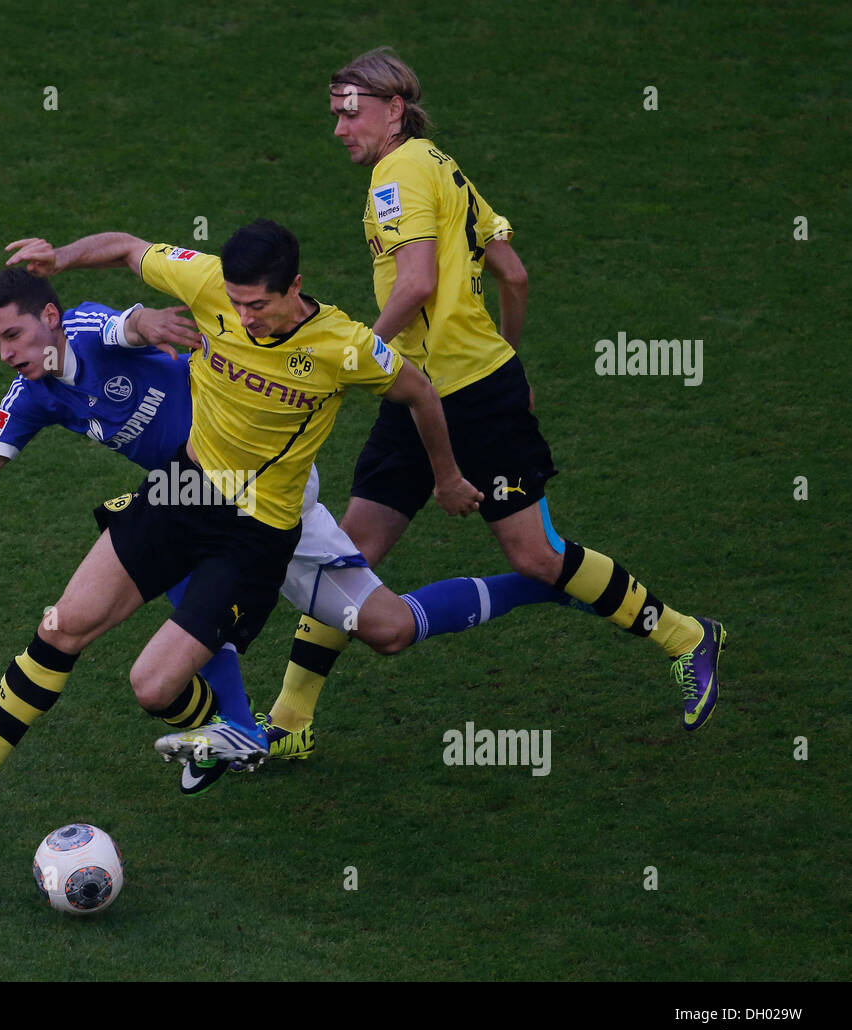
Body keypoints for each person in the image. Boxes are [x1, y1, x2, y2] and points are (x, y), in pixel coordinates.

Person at [0, 219, 484, 821]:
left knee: (360, 635)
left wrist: (448, 476)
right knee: (62, 626)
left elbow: (421, 394)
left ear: (293, 287)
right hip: (179, 487)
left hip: (258, 522)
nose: (243, 317)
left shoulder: (344, 344)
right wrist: (59, 257)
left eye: (257, 305)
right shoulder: (207, 282)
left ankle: (239, 728)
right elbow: (126, 248)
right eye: (237, 303)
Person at [259, 46, 724, 750]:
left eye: (349, 113)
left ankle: (688, 636)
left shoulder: (397, 173)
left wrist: (345, 360)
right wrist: (508, 355)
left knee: (535, 557)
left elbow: (414, 284)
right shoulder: (440, 163)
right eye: (334, 115)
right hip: (422, 393)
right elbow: (513, 271)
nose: (339, 128)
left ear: (391, 110)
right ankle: (290, 723)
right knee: (351, 555)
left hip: (468, 396)